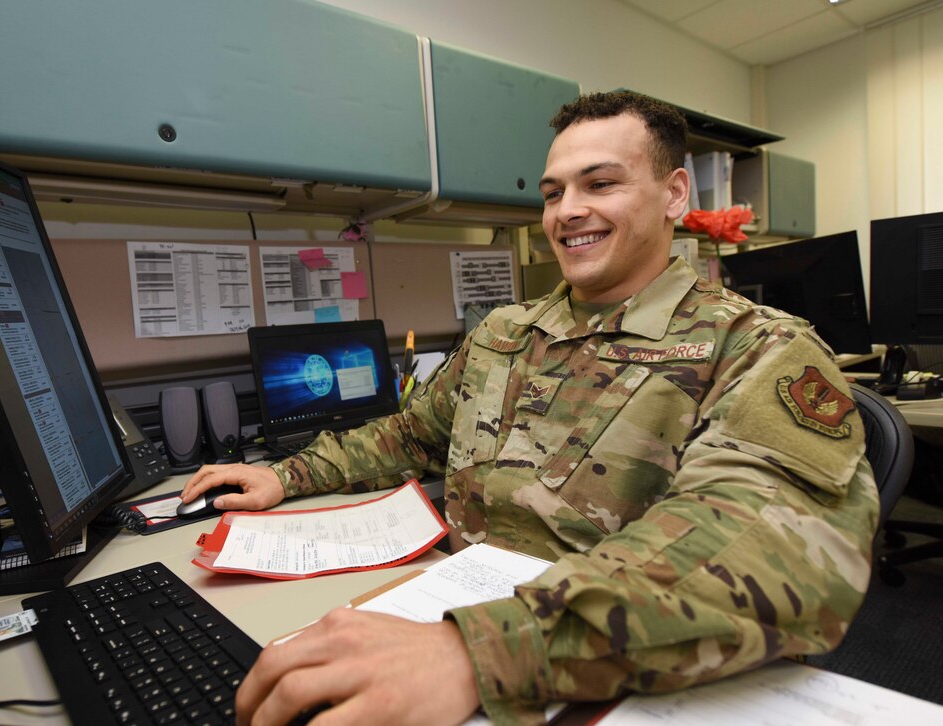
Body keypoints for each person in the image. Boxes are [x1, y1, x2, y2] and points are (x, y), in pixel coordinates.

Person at [181, 91, 879, 725]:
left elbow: (768, 544)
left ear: (673, 195)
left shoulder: (758, 347)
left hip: (601, 666)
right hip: (450, 615)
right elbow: (410, 434)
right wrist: (291, 477)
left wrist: (484, 652)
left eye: (600, 183)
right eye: (553, 192)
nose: (567, 210)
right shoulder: (505, 334)